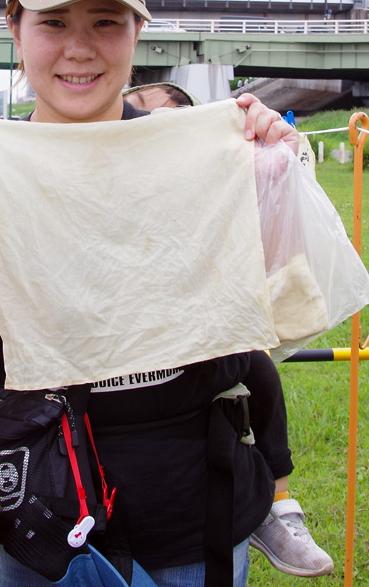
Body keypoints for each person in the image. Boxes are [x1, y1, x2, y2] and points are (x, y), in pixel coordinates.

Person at [0, 0, 310, 587]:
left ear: (137, 33)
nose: (80, 48)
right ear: (14, 29)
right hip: (37, 522)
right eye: (54, 22)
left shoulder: (198, 155)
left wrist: (272, 178)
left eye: (105, 22)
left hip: (193, 515)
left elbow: (279, 297)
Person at [123, 83, 334, 578]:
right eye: (141, 116)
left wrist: (273, 165)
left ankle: (276, 503)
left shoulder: (206, 179)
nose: (151, 126)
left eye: (170, 120)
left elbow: (283, 283)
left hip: (198, 358)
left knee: (258, 370)